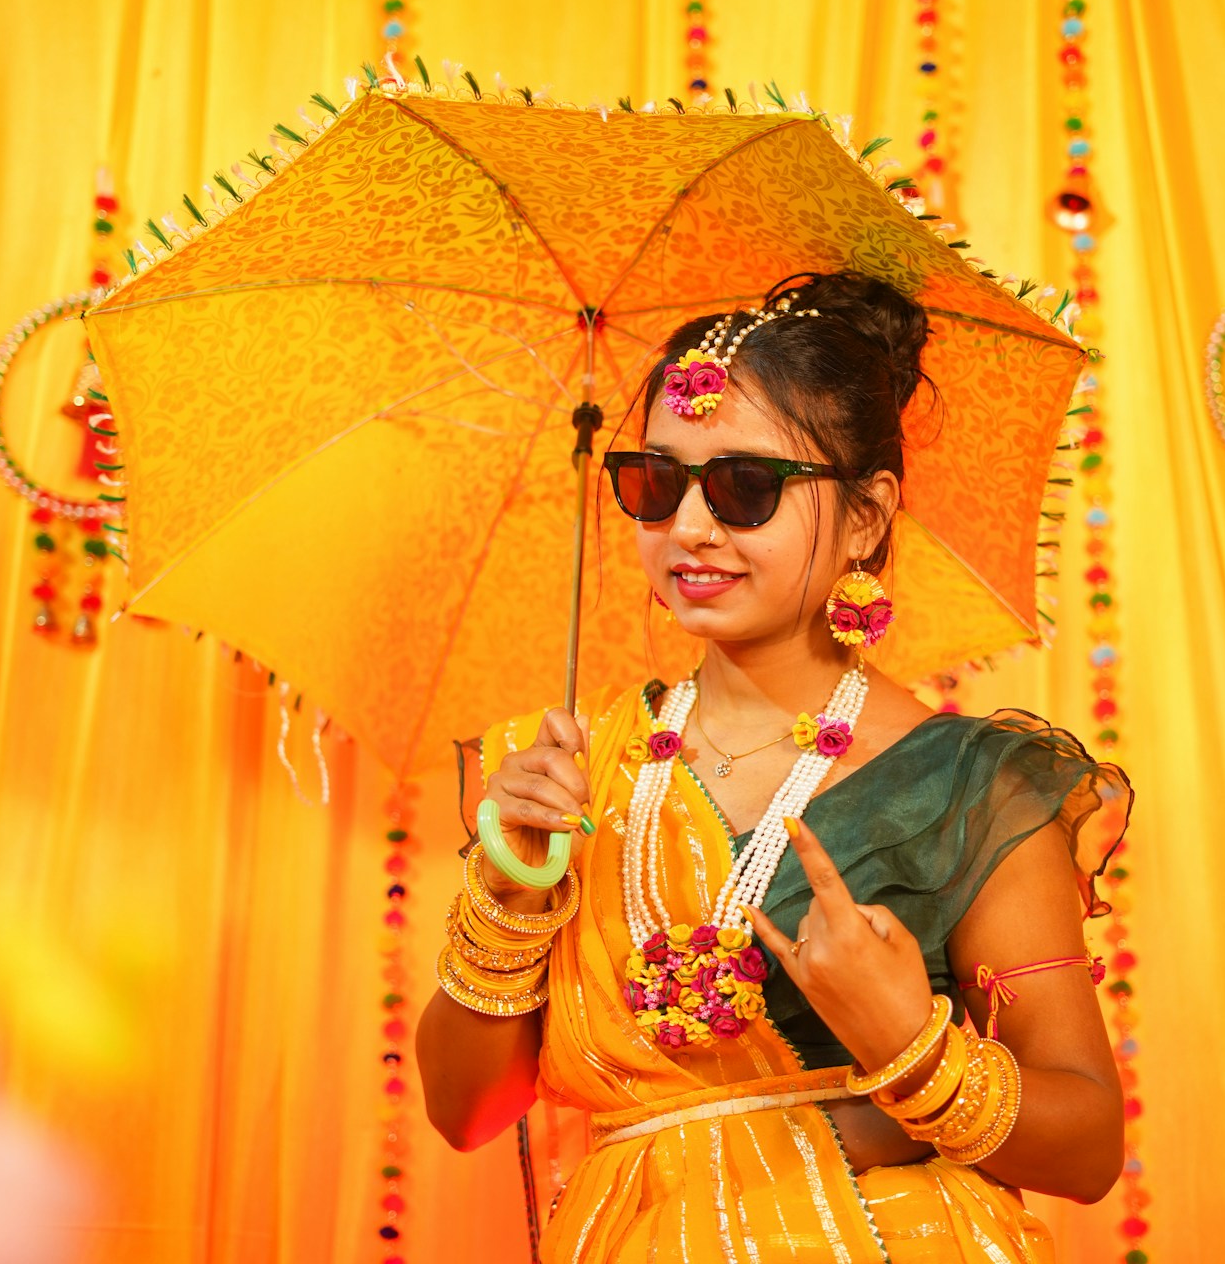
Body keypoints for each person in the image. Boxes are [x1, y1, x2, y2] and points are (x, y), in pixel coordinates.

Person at [416, 271, 1131, 1262]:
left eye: (747, 487)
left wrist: (909, 1045)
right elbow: (467, 1110)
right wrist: (508, 894)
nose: (692, 528)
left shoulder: (971, 784)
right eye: (656, 482)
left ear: (869, 514)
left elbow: (1089, 1143)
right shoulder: (580, 771)